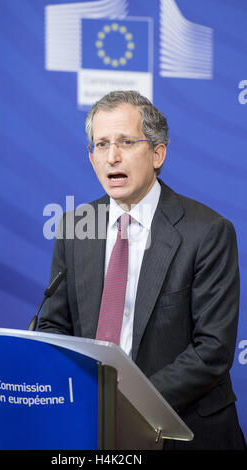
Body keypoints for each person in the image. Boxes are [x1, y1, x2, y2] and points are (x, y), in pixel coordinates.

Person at [38, 90, 246, 450]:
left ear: (157, 153)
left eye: (125, 142)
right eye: (100, 145)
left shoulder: (208, 231)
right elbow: (55, 325)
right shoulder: (75, 227)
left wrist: (125, 402)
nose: (111, 157)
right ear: (91, 158)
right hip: (93, 427)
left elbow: (211, 350)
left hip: (185, 430)